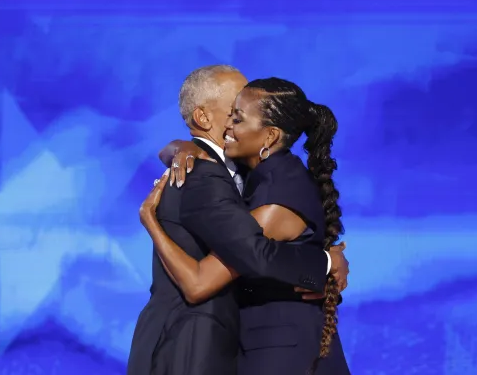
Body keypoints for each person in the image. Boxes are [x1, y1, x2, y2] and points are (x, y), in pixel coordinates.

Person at [127, 66, 349, 375]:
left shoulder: (273, 184)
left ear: (269, 135)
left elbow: (236, 262)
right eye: (232, 110)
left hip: (280, 350)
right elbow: (222, 270)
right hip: (198, 343)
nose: (232, 122)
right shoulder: (211, 173)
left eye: (239, 115)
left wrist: (325, 265)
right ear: (203, 118)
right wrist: (324, 264)